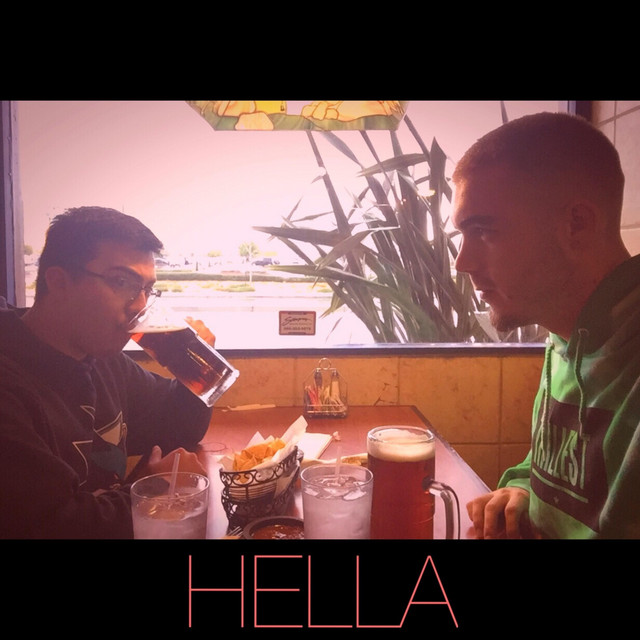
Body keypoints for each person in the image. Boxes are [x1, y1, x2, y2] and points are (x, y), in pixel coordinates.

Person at [452, 111, 640, 539]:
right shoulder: (567, 335)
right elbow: (558, 474)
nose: (462, 262)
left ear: (577, 224)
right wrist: (523, 488)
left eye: (483, 230)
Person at [0, 206, 215, 538]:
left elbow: (177, 424)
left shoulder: (103, 360)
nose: (139, 306)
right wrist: (157, 488)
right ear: (59, 282)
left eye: (146, 289)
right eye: (122, 282)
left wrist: (195, 369)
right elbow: (54, 525)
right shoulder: (11, 386)